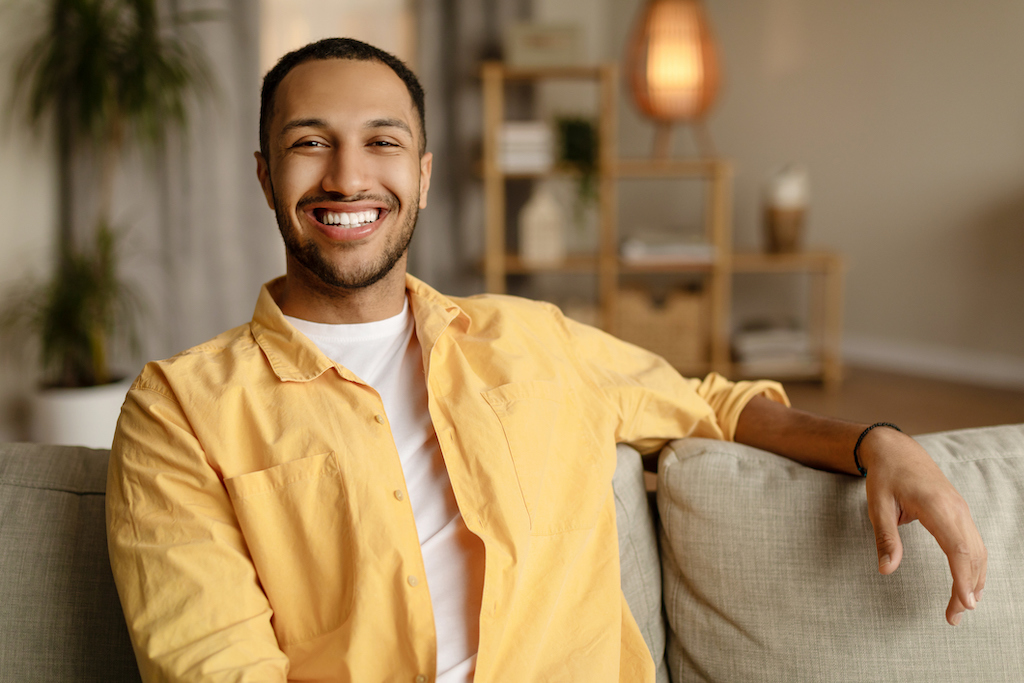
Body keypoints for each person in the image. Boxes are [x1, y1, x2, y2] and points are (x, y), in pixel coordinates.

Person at [106, 38, 986, 683]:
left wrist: (879, 442)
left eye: (382, 141)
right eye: (309, 142)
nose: (347, 177)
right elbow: (216, 664)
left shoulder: (532, 338)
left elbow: (712, 405)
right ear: (264, 175)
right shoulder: (178, 407)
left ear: (420, 167)